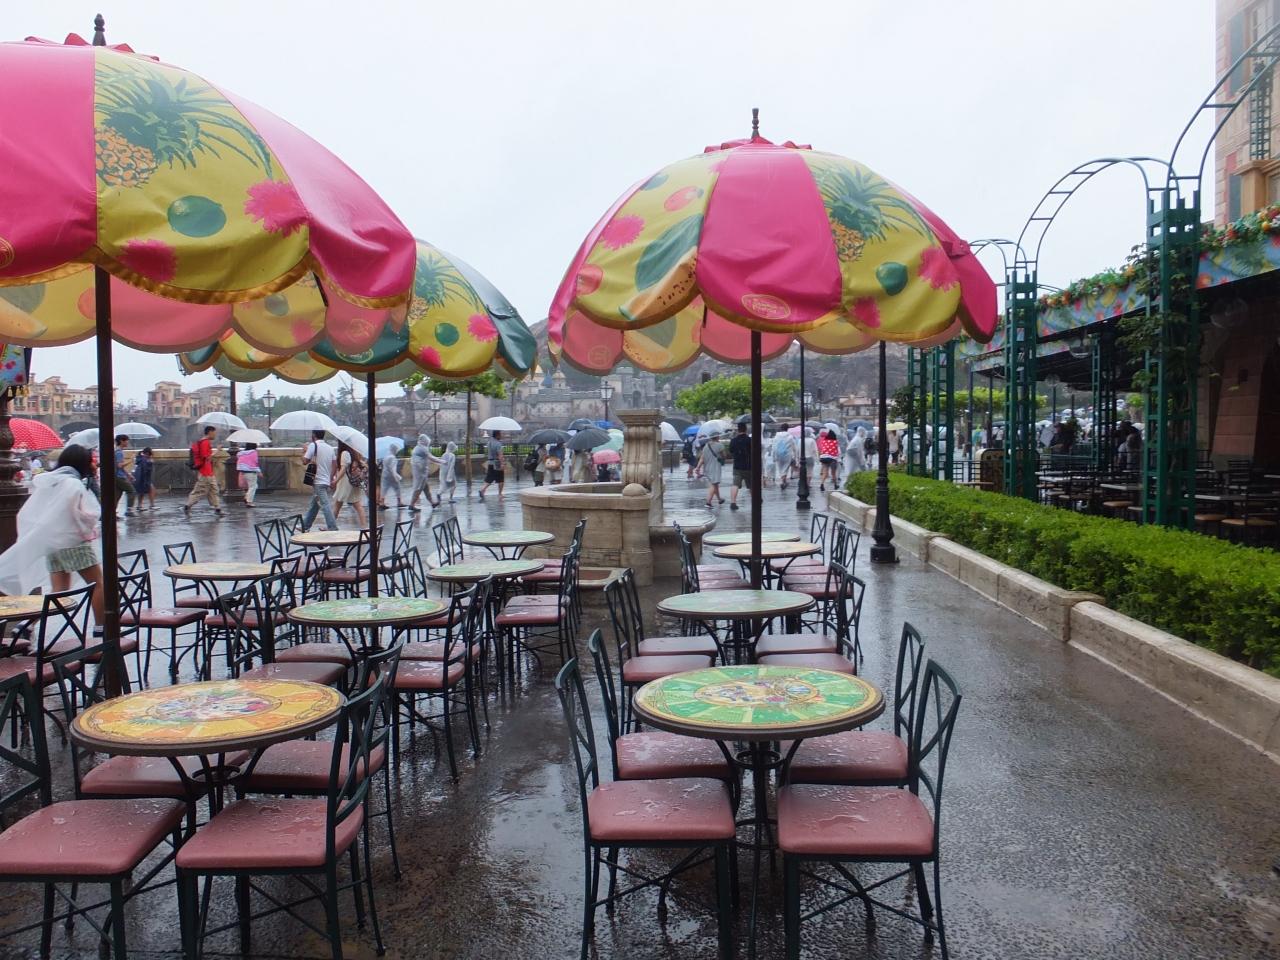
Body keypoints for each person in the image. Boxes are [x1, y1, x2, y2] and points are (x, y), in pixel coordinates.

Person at [0, 444, 105, 627]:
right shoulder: (73, 484)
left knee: (58, 591)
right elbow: (78, 513)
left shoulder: (52, 481)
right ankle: (101, 628)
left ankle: (27, 625)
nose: (93, 464)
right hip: (73, 542)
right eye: (90, 461)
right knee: (98, 584)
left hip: (53, 544)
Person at [301, 430, 338, 532]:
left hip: (318, 480)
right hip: (325, 480)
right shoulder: (330, 448)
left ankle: (332, 527)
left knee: (325, 504)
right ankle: (305, 526)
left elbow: (305, 461)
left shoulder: (313, 446)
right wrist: (330, 478)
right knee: (315, 505)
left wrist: (304, 451)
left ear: (313, 435)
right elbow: (335, 465)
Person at [184, 425, 223, 517]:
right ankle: (188, 505)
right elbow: (206, 457)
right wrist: (217, 451)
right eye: (214, 433)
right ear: (210, 432)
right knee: (200, 491)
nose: (215, 435)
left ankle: (217, 508)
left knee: (213, 490)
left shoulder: (203, 442)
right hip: (205, 472)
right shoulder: (205, 443)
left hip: (208, 471)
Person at [332, 441, 369, 529]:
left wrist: (335, 481)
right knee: (357, 505)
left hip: (345, 482)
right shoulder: (354, 452)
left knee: (337, 504)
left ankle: (331, 526)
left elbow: (343, 469)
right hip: (353, 482)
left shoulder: (344, 453)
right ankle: (364, 526)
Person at [698, 430, 726, 507]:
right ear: (717, 437)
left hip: (707, 468)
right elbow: (724, 456)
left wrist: (698, 467)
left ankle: (719, 499)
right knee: (714, 484)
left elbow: (702, 458)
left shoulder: (706, 446)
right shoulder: (719, 445)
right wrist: (721, 457)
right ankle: (708, 502)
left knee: (714, 484)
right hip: (715, 468)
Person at [112, 434, 138, 517]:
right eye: (126, 441)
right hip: (119, 477)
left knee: (117, 496)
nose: (127, 442)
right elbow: (120, 465)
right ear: (121, 441)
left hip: (117, 476)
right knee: (131, 491)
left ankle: (111, 513)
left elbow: (119, 467)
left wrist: (128, 475)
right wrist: (131, 460)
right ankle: (129, 510)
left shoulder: (116, 451)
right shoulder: (119, 452)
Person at [408, 434, 436, 510]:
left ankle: (432, 503)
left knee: (426, 488)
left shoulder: (418, 448)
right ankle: (411, 505)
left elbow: (424, 458)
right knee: (418, 489)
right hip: (420, 473)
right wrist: (442, 461)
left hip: (421, 472)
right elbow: (431, 457)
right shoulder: (422, 448)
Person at [728, 422, 752, 510]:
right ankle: (756, 500)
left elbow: (731, 451)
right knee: (751, 485)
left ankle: (733, 502)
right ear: (746, 429)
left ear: (738, 430)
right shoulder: (749, 440)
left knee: (735, 484)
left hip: (737, 466)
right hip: (749, 466)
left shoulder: (733, 441)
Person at [479, 431, 505, 499]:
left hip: (490, 462)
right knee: (501, 479)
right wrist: (502, 463)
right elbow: (500, 455)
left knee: (489, 478)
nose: (501, 436)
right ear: (497, 435)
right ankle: (500, 494)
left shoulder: (489, 442)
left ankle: (482, 489)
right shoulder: (498, 443)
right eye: (500, 434)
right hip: (497, 463)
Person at [236, 442, 262, 507]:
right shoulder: (254, 452)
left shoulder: (241, 453)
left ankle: (246, 497)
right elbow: (255, 462)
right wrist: (259, 471)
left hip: (243, 471)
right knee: (253, 487)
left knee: (253, 486)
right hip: (251, 471)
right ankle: (249, 502)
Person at [132, 446, 156, 510]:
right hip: (143, 479)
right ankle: (151, 505)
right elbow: (146, 470)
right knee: (149, 490)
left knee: (143, 492)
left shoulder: (140, 458)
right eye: (151, 453)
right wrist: (150, 462)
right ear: (148, 453)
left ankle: (140, 506)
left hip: (138, 478)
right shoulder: (145, 460)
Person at [773, 425, 796, 490]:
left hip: (778, 454)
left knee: (780, 468)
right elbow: (794, 447)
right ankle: (783, 481)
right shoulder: (790, 437)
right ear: (787, 429)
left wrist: (773, 456)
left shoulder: (776, 437)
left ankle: (784, 481)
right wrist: (795, 455)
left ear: (781, 428)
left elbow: (773, 447)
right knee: (785, 468)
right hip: (787, 454)